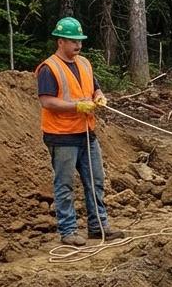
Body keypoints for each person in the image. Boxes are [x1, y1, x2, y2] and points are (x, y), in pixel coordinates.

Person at [36, 17, 122, 247]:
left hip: (86, 132)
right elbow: (46, 102)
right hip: (62, 135)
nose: (78, 45)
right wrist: (77, 106)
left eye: (80, 41)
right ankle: (68, 230)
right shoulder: (49, 68)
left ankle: (98, 226)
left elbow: (95, 87)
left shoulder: (84, 63)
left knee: (96, 180)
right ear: (60, 41)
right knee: (64, 184)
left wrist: (99, 97)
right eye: (73, 41)